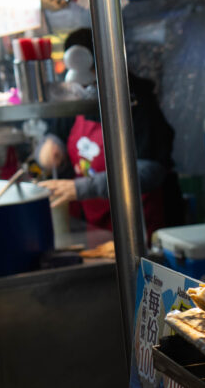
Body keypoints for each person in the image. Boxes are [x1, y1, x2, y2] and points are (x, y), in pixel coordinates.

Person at [36, 28, 183, 235]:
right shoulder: (77, 97)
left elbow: (150, 171)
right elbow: (54, 135)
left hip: (138, 225)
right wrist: (49, 147)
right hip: (95, 225)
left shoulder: (136, 101)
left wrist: (83, 188)